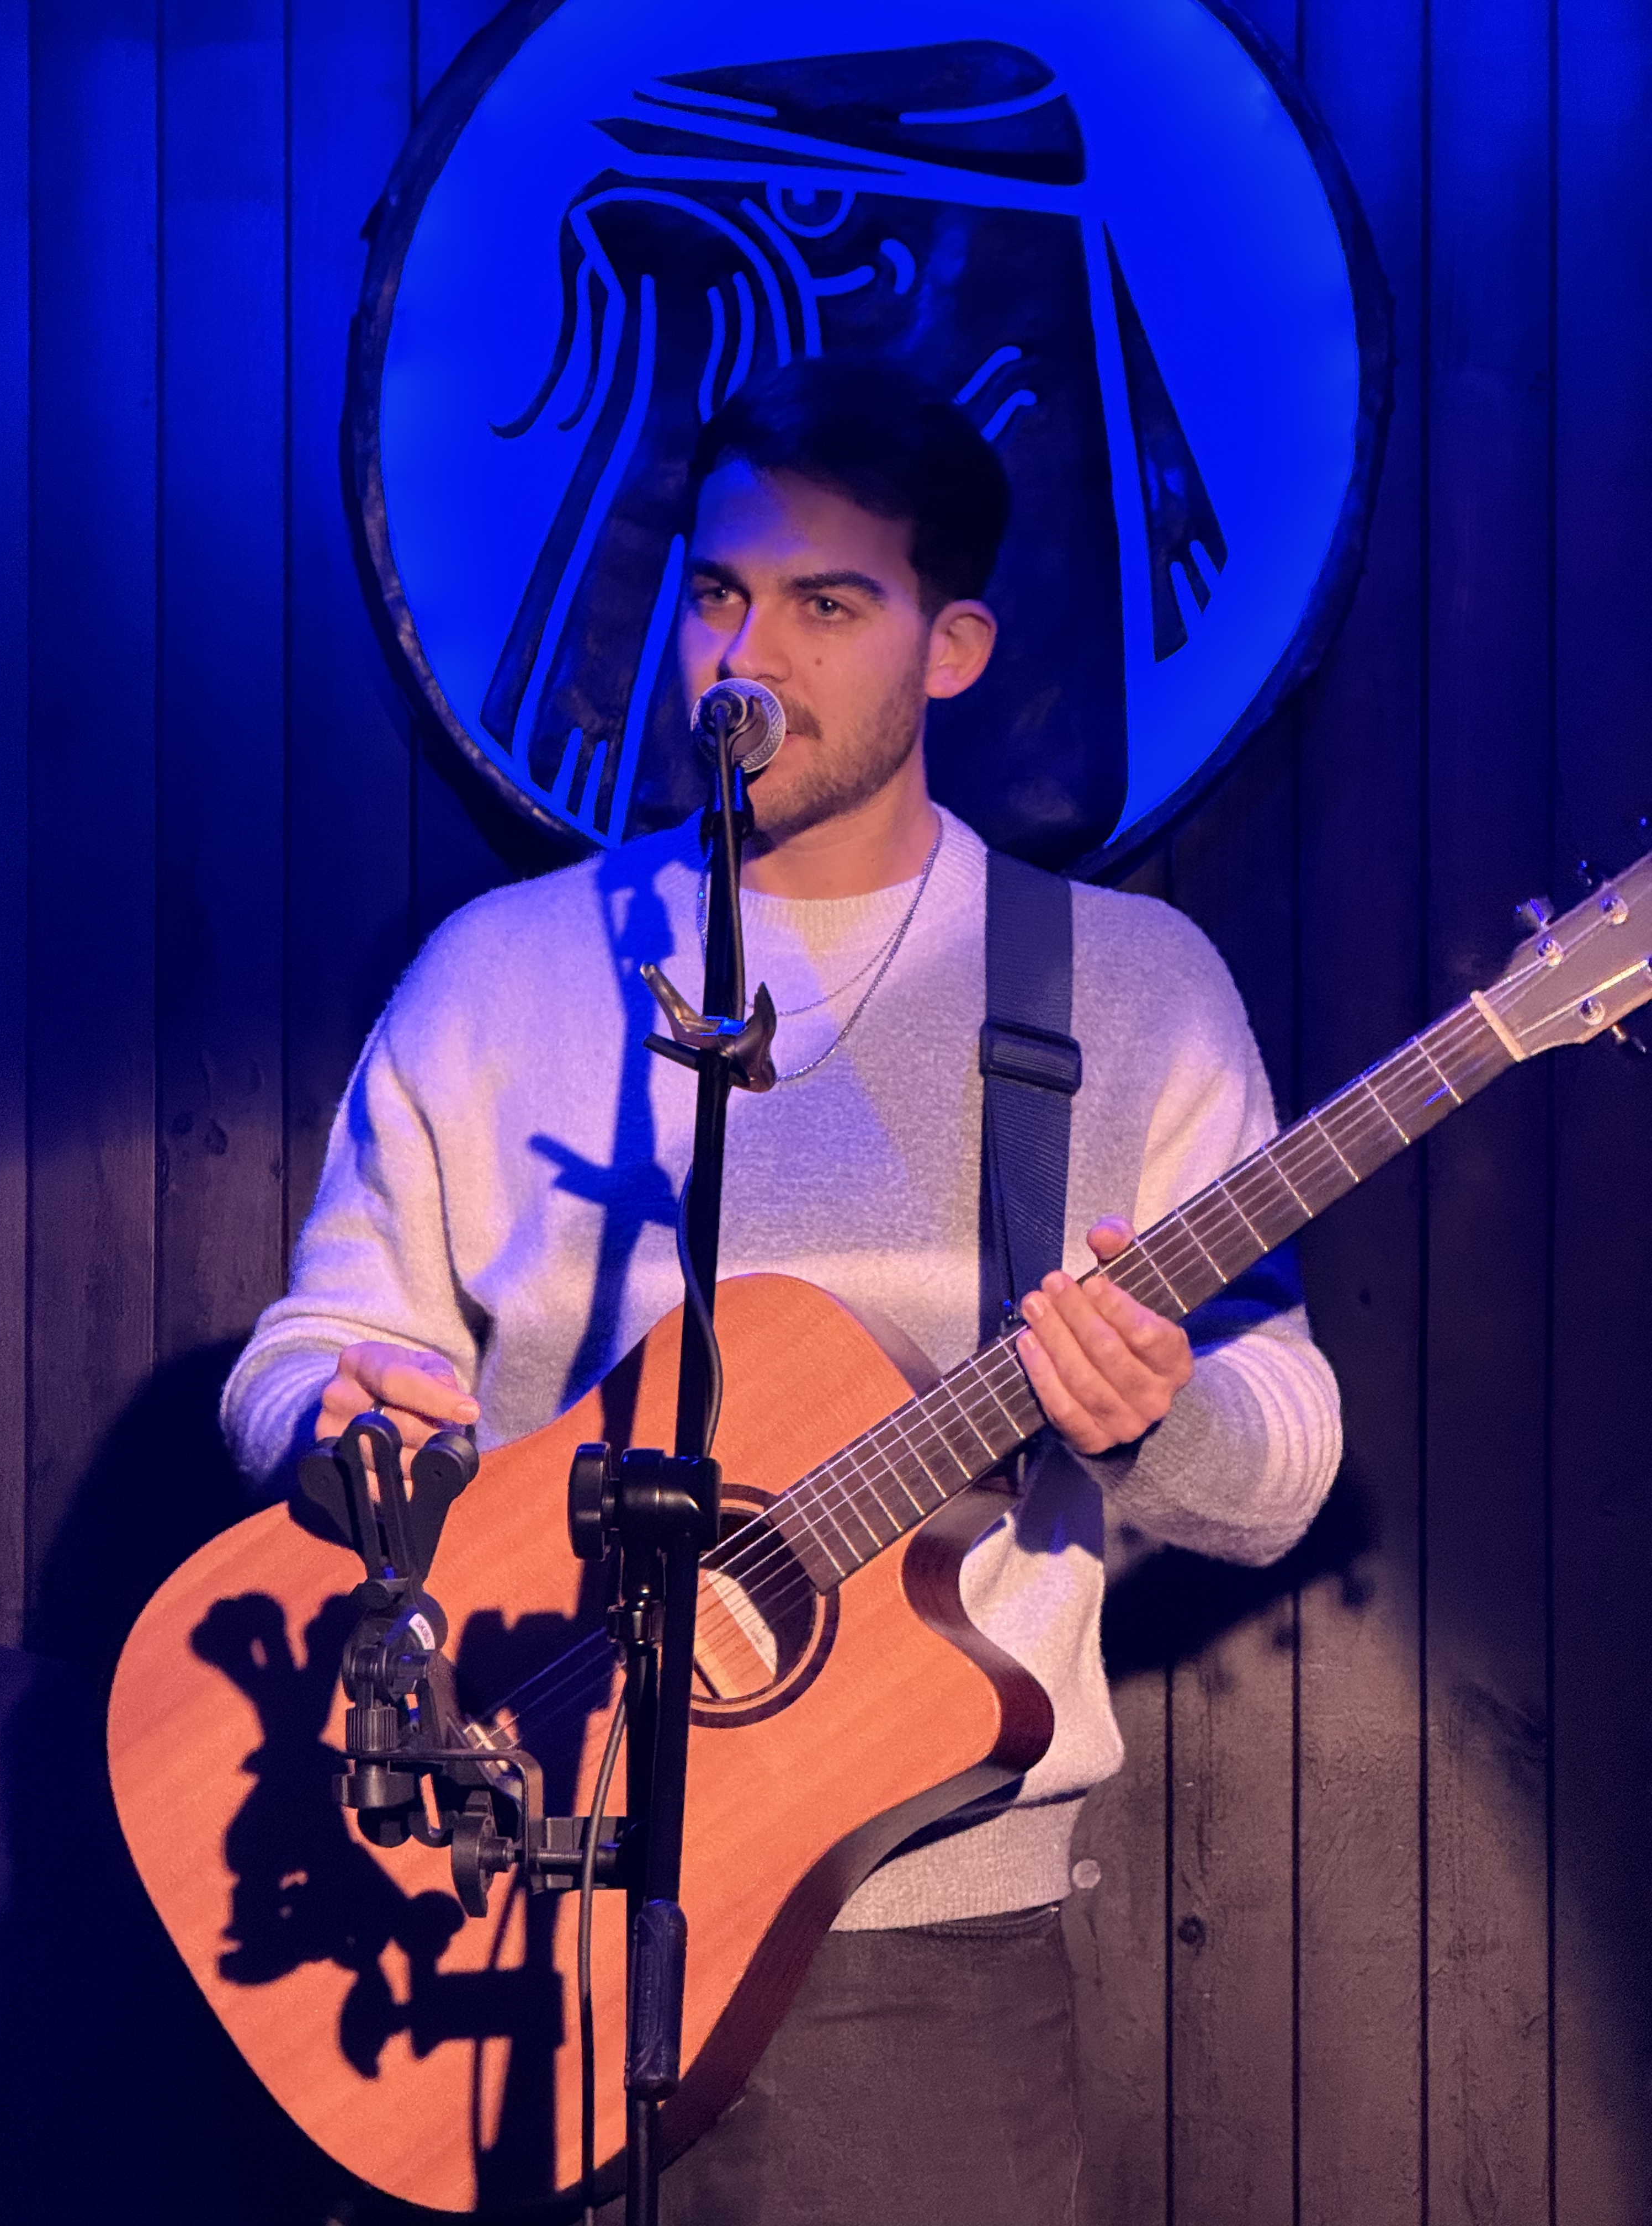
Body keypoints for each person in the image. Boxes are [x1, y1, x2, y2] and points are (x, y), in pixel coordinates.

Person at [221, 357, 1341, 2223]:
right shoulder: (504, 971)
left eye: (831, 605)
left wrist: (1157, 1413)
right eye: (722, 592)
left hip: (916, 1958)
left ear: (953, 646)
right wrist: (350, 1429)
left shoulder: (1126, 989)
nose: (754, 651)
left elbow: (1284, 1452)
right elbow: (307, 1353)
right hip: (496, 1896)